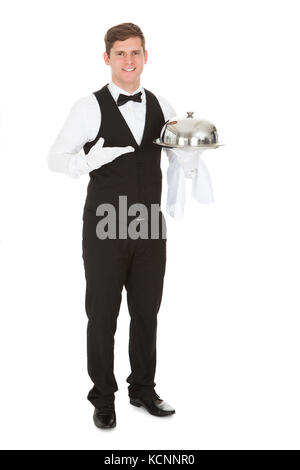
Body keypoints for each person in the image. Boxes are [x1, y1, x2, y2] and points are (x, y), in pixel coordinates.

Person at [47, 22, 200, 430]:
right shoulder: (87, 107)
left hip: (150, 225)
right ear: (107, 58)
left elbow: (177, 158)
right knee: (102, 315)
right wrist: (87, 161)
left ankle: (143, 388)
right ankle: (103, 396)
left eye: (136, 53)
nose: (129, 61)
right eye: (121, 53)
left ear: (146, 56)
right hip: (104, 224)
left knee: (147, 312)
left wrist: (190, 160)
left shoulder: (163, 106)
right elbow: (55, 159)